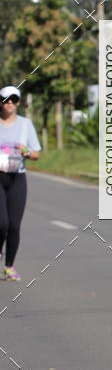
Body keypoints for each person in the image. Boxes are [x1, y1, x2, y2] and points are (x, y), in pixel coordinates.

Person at [0, 86, 41, 281]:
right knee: (2, 223)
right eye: (6, 99)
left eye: (14, 100)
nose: (9, 103)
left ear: (18, 103)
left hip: (17, 178)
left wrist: (26, 152)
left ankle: (9, 266)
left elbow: (36, 154)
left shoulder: (26, 125)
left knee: (14, 226)